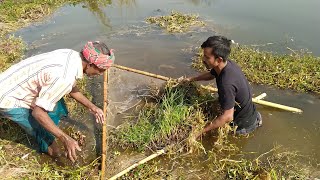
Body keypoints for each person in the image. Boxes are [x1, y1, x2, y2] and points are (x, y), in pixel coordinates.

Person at [0, 41, 115, 162]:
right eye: (101, 70)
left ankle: (54, 127)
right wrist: (65, 138)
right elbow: (38, 113)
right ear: (90, 64)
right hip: (7, 98)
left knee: (55, 105)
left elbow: (71, 87)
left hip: (13, 81)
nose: (100, 74)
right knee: (43, 132)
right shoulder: (64, 78)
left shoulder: (72, 55)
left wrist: (92, 107)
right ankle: (55, 157)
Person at [181, 35, 262, 137]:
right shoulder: (227, 65)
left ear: (218, 60)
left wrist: (199, 132)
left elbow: (228, 117)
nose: (203, 59)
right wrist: (192, 79)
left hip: (243, 126)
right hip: (252, 115)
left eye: (207, 57)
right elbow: (212, 74)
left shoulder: (226, 83)